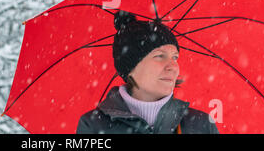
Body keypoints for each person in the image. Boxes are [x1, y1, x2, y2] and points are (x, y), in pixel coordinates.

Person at [76, 11, 219, 134]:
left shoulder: (202, 125)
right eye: (160, 56)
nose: (173, 66)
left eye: (175, 57)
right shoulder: (93, 126)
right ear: (131, 68)